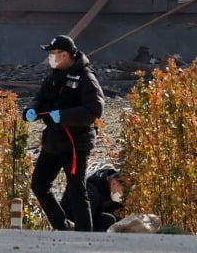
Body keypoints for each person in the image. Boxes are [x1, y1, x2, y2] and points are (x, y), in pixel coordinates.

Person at [23, 34, 104, 231]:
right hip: (53, 141)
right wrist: (31, 110)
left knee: (76, 190)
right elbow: (40, 99)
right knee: (40, 185)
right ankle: (63, 226)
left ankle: (85, 234)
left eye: (55, 54)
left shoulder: (86, 78)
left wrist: (63, 116)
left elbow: (94, 110)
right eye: (51, 54)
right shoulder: (53, 77)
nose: (52, 57)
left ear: (66, 55)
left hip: (76, 143)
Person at [60, 164, 126, 232]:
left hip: (94, 212)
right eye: (123, 191)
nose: (123, 196)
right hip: (73, 218)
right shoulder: (91, 191)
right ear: (114, 183)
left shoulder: (107, 180)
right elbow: (84, 222)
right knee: (108, 221)